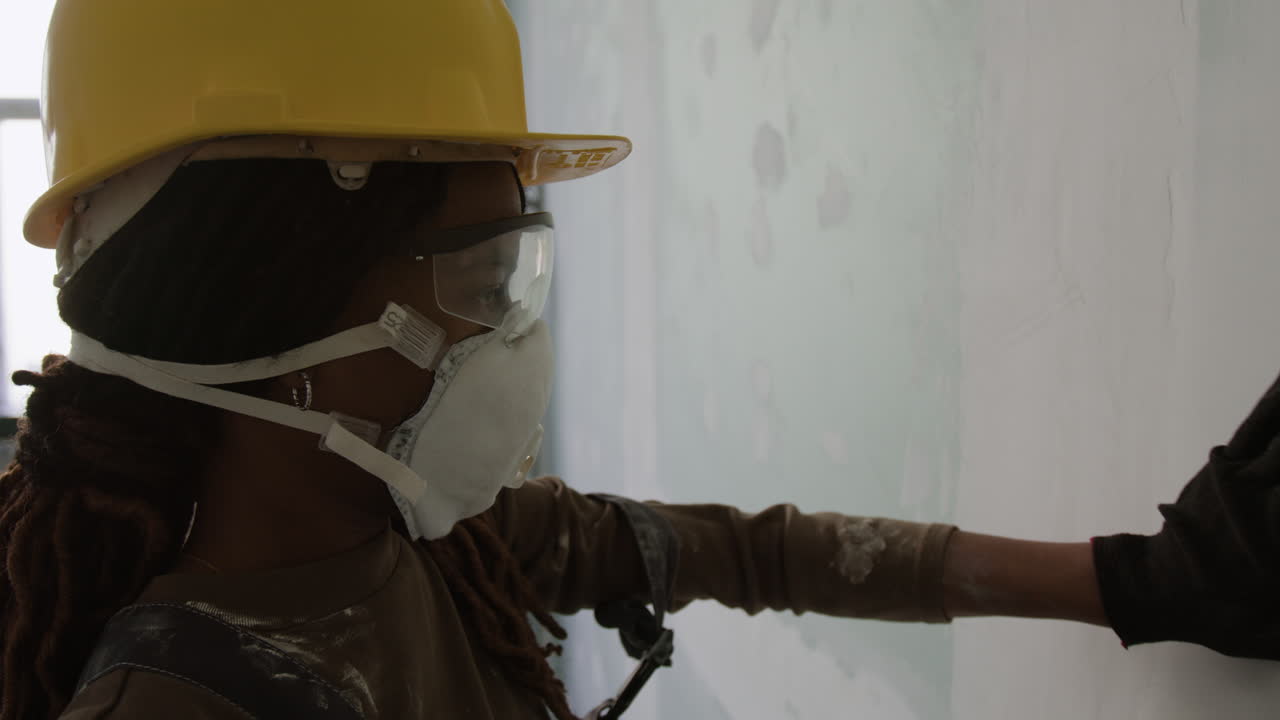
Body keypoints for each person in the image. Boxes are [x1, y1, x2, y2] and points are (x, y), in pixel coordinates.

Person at [1, 1, 1275, 719]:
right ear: (264, 324)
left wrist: (1130, 581)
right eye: (481, 280)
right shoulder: (183, 711)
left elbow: (750, 549)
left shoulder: (440, 541)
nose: (517, 333)